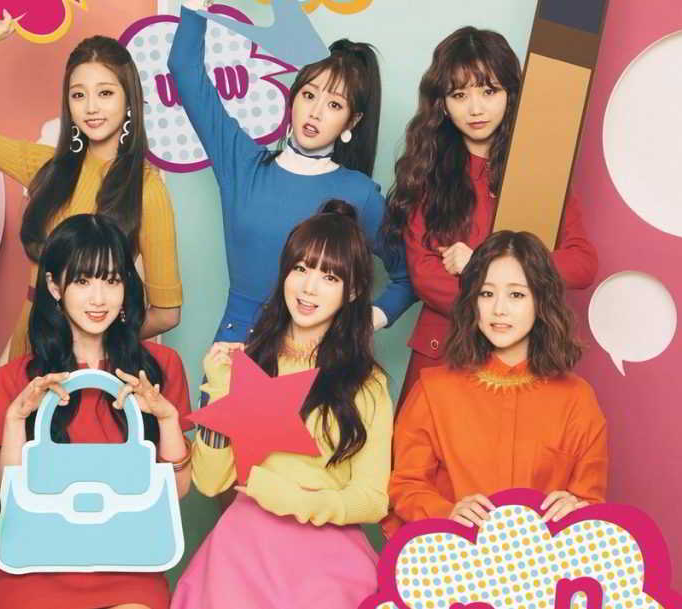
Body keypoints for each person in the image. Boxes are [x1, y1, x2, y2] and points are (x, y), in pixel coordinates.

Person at [173, 201, 392, 608]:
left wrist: (295, 500)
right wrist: (220, 389)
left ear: (353, 291)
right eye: (301, 269)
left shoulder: (367, 383)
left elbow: (373, 498)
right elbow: (210, 482)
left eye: (329, 277)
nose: (309, 288)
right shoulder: (248, 362)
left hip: (328, 560)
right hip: (244, 550)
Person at [0, 13, 183, 365]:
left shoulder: (146, 188)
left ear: (129, 101)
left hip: (91, 360)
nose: (91, 107)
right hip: (30, 342)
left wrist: (99, 338)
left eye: (105, 93)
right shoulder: (46, 166)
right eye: (78, 95)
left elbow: (166, 314)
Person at [167, 1, 414, 343]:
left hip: (317, 354)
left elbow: (409, 276)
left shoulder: (359, 194)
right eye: (309, 95)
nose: (315, 113)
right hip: (236, 348)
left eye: (334, 105)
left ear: (352, 121)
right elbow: (184, 68)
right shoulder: (243, 164)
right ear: (292, 97)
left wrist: (364, 323)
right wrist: (194, 7)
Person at [381, 26, 597, 405]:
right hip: (443, 351)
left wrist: (482, 263)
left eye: (489, 91)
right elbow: (426, 277)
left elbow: (582, 264)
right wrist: (512, 299)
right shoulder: (427, 174)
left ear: (511, 94)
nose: (475, 109)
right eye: (459, 95)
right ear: (442, 104)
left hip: (519, 359)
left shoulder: (539, 171)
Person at [0, 214, 192, 609]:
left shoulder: (160, 367)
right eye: (82, 281)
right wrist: (15, 420)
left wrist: (167, 420)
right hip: (36, 567)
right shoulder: (17, 379)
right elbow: (7, 499)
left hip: (129, 568)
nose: (99, 299)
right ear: (54, 286)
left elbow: (177, 493)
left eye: (111, 281)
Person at [383, 231, 607, 537]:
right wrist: (446, 513)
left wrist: (577, 508)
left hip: (544, 561)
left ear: (542, 300)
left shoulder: (577, 398)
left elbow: (590, 502)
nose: (499, 309)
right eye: (486, 294)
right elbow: (405, 486)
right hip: (452, 556)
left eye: (516, 295)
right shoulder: (432, 390)